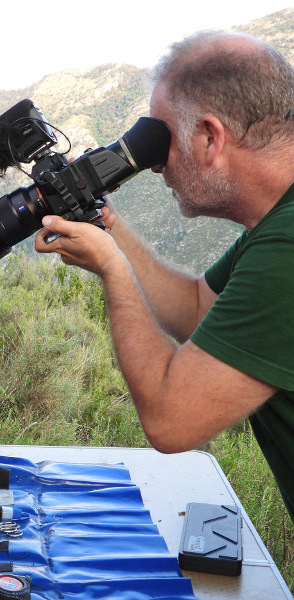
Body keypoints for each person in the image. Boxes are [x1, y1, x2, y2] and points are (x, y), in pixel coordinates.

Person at [35, 31, 294, 520]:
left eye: (161, 139)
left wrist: (113, 269)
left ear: (210, 137)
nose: (153, 165)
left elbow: (172, 421)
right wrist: (107, 227)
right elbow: (199, 308)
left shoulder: (287, 248)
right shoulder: (277, 223)